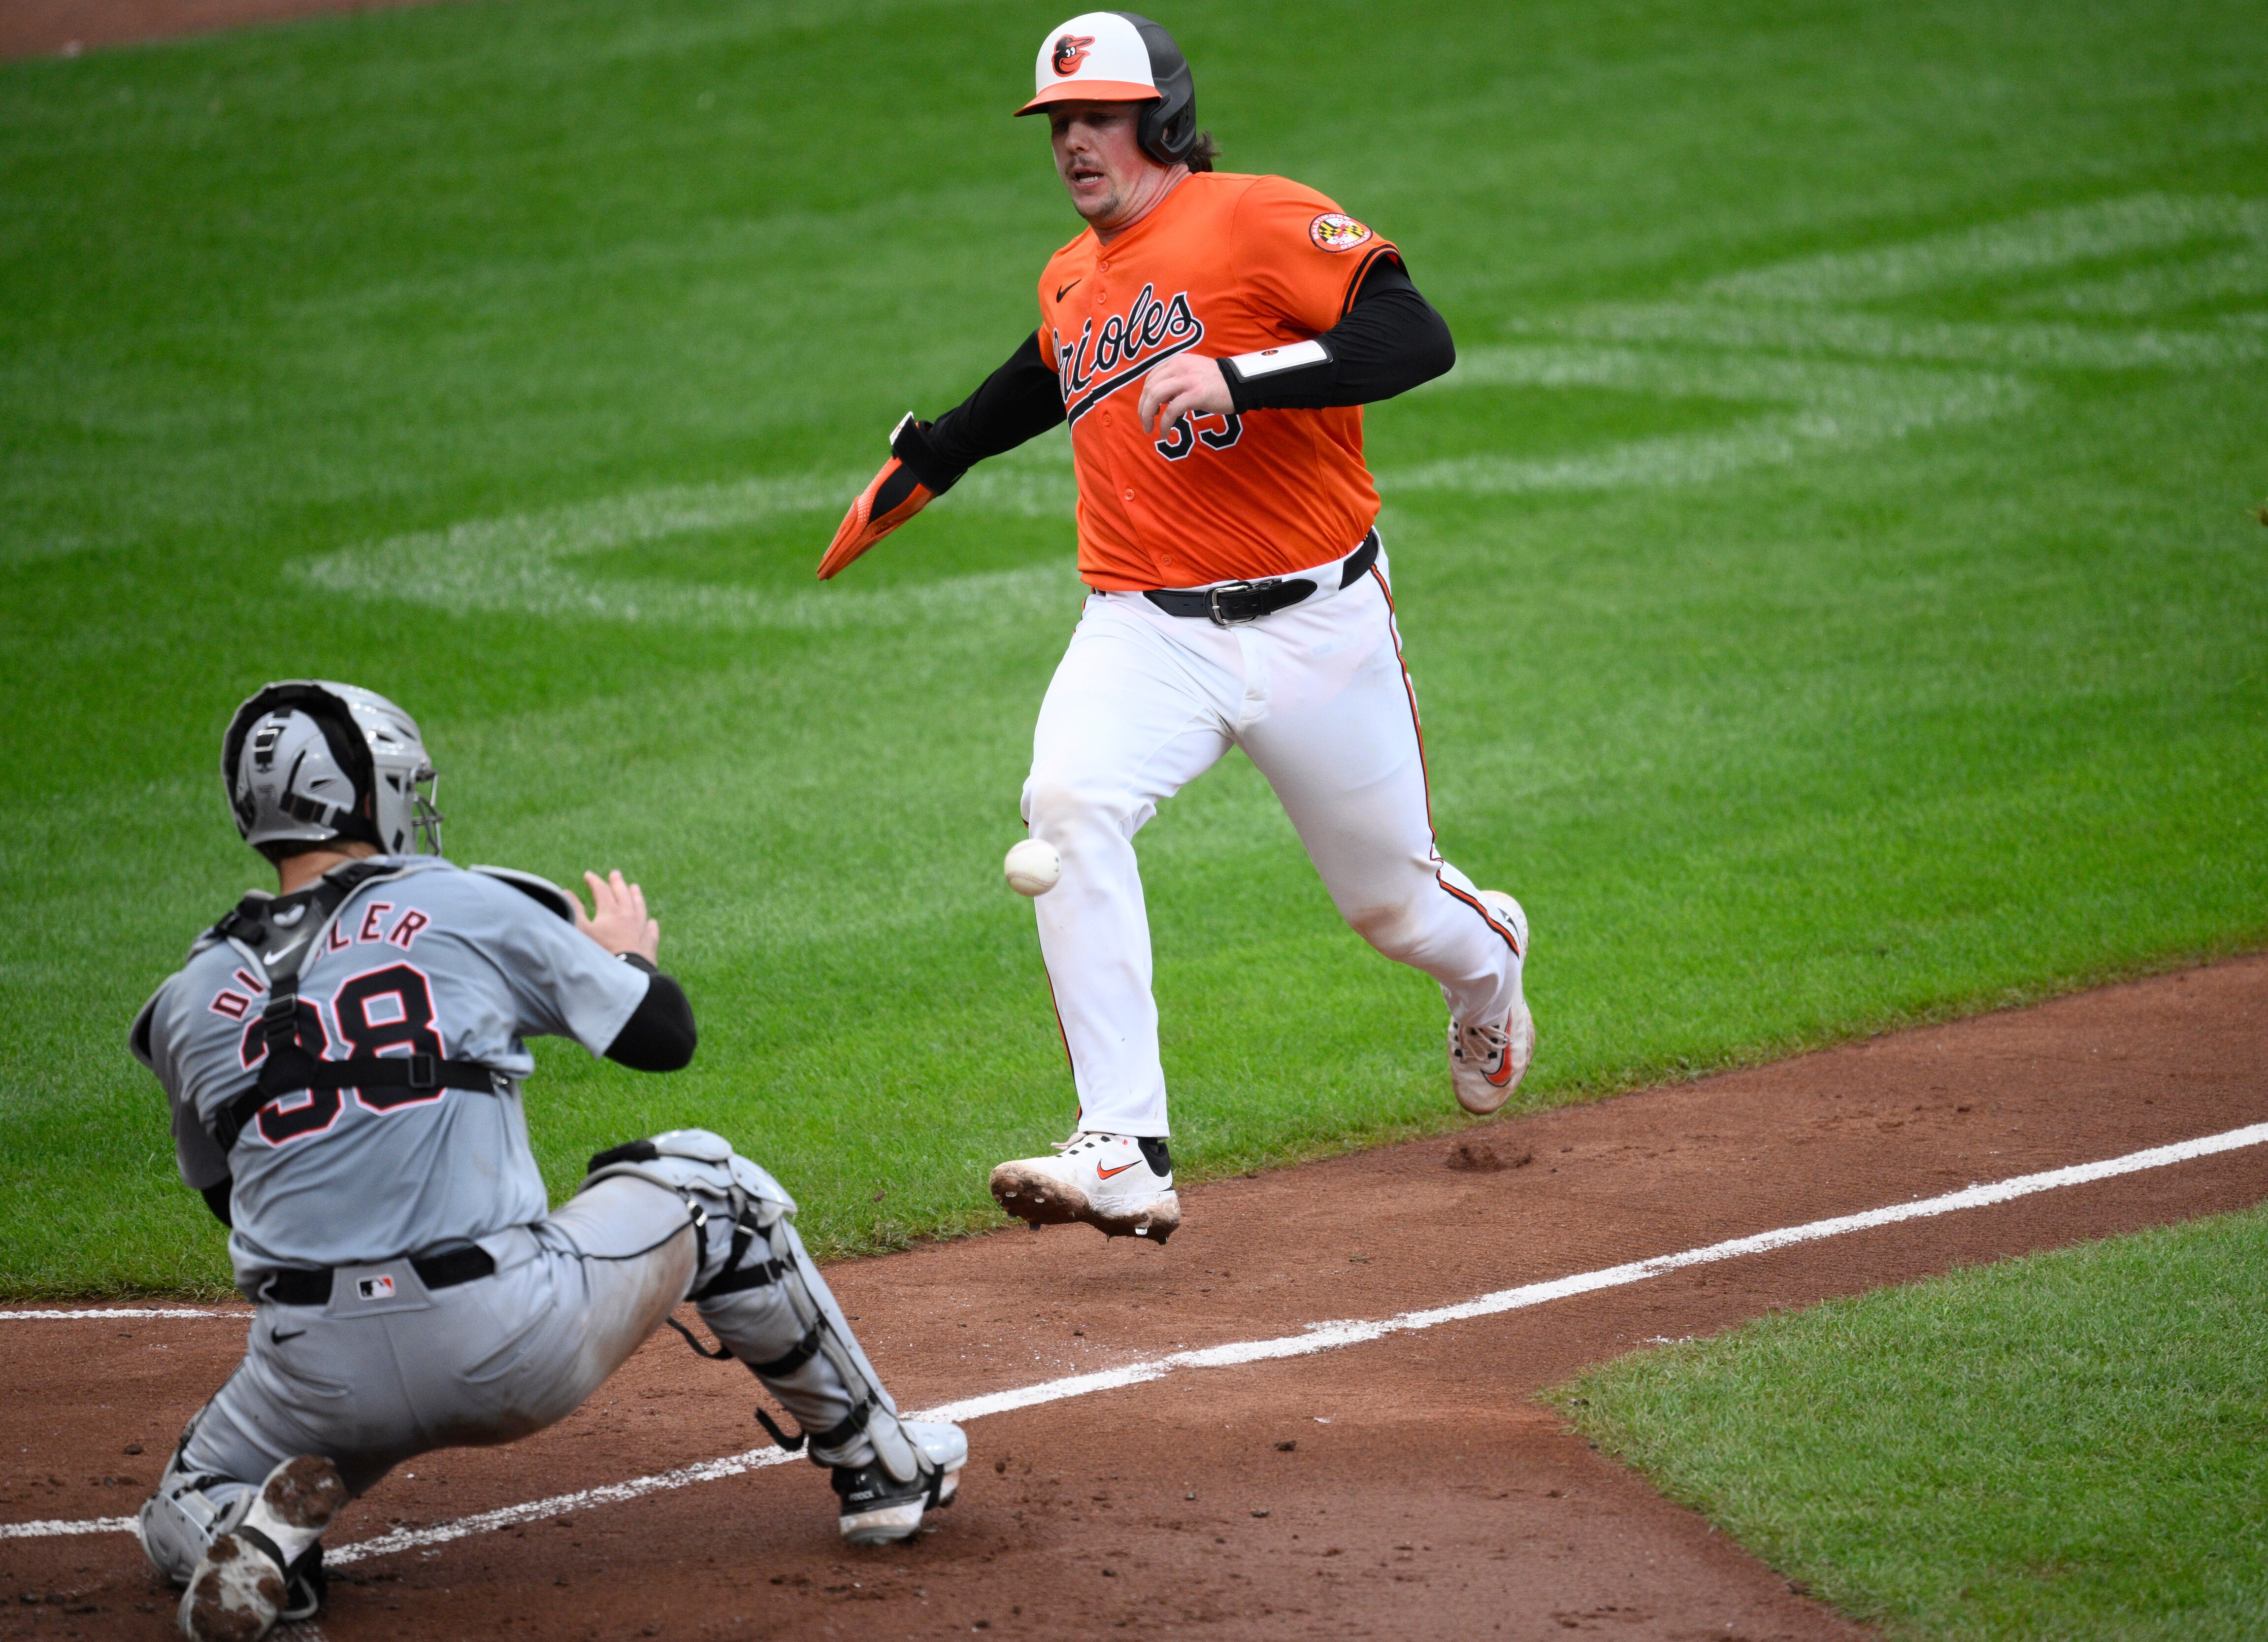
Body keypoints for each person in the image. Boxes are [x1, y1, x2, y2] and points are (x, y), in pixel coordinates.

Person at [820, 12, 1533, 1244]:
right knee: (1069, 804)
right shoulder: (1072, 275)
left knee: (1391, 911)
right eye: (1057, 123)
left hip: (1320, 627)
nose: (1072, 144)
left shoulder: (1253, 215)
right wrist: (931, 457)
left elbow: (1418, 337)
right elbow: (1042, 375)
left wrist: (1245, 375)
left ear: (1158, 116)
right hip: (1145, 627)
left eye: (1095, 116)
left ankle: (1490, 967)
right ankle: (1124, 1146)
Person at [129, 681, 964, 1642]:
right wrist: (621, 954)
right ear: (369, 796)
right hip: (505, 1339)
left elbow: (232, 1203)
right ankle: (883, 1468)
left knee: (176, 1503)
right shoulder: (461, 901)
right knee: (711, 1184)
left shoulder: (189, 995)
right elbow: (662, 1035)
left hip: (312, 1373)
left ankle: (257, 1536)